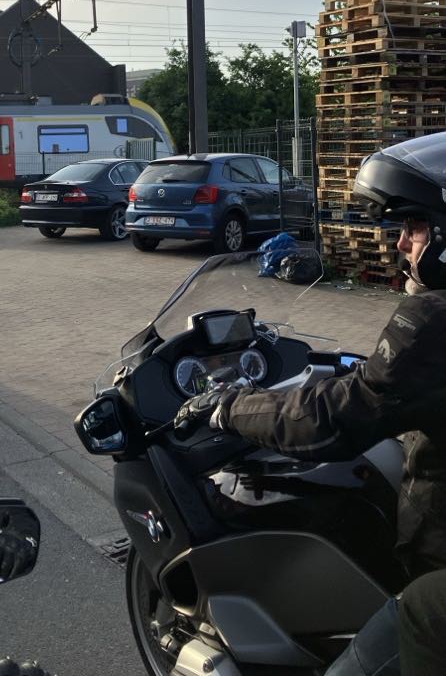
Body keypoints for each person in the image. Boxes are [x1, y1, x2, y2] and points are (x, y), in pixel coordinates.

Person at [175, 132, 446, 674]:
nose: (400, 244)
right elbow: (395, 388)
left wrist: (229, 406)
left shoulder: (433, 321)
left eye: (415, 227)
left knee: (418, 614)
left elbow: (331, 421)